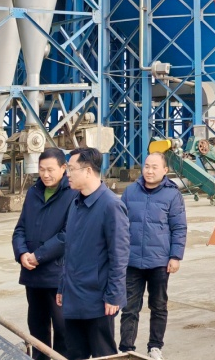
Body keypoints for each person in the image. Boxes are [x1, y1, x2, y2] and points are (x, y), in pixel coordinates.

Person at [57, 147, 129, 359]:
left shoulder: (111, 206)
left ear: (88, 171)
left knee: (103, 354)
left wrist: (114, 296)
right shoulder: (75, 203)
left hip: (98, 300)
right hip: (73, 295)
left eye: (71, 169)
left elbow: (119, 256)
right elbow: (70, 250)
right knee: (74, 353)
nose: (67, 174)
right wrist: (62, 286)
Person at [120, 150, 187, 360]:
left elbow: (179, 228)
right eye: (146, 166)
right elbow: (119, 225)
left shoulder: (172, 195)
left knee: (158, 306)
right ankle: (126, 348)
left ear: (165, 170)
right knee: (129, 308)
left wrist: (175, 256)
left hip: (159, 261)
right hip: (132, 261)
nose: (149, 171)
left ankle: (155, 346)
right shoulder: (130, 192)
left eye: (154, 167)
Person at [12, 147, 76, 358]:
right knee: (37, 329)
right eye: (41, 169)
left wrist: (38, 256)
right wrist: (22, 253)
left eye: (50, 170)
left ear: (63, 168)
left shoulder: (72, 194)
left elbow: (67, 235)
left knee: (63, 329)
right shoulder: (33, 192)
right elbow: (20, 228)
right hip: (32, 275)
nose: (45, 174)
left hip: (57, 275)